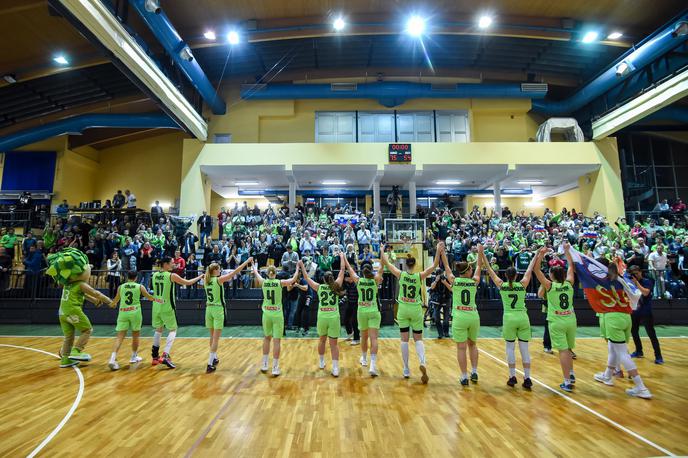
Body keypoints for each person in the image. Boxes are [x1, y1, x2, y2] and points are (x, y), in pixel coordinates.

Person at [591, 260, 653, 399]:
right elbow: (637, 295)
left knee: (623, 353)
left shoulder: (603, 282)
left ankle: (641, 387)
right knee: (613, 348)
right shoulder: (623, 280)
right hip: (626, 317)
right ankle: (607, 376)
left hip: (613, 317)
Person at [380, 243, 440, 383]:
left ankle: (406, 369)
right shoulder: (419, 276)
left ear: (406, 265)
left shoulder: (401, 274)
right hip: (416, 309)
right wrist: (438, 250)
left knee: (404, 340)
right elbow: (435, 265)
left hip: (403, 309)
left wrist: (382, 250)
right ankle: (422, 362)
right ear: (415, 264)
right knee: (418, 339)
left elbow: (387, 263)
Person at [480, 247, 536, 389]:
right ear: (516, 275)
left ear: (506, 276)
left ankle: (512, 376)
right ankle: (527, 378)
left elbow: (490, 270)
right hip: (523, 317)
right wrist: (536, 256)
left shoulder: (502, 285)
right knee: (525, 350)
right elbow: (530, 269)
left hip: (509, 318)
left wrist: (482, 254)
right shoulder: (522, 285)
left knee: (510, 348)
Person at [46, 248, 112, 368]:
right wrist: (108, 301)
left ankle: (65, 359)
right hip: (72, 310)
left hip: (62, 313)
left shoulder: (67, 284)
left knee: (69, 336)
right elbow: (95, 292)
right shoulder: (80, 284)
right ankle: (76, 350)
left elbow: (84, 295)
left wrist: (94, 301)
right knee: (87, 330)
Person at [533, 245, 577, 392]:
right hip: (571, 319)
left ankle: (567, 381)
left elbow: (536, 270)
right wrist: (567, 251)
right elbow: (571, 265)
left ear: (551, 275)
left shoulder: (549, 286)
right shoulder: (569, 283)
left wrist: (541, 254)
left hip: (557, 320)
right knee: (569, 349)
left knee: (563, 351)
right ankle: (571, 374)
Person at [439, 243, 482, 386]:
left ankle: (464, 376)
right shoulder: (474, 281)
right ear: (469, 271)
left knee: (461, 348)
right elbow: (479, 267)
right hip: (473, 316)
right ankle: (474, 371)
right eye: (471, 268)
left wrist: (442, 252)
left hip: (459, 316)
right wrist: (480, 253)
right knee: (473, 345)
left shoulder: (455, 281)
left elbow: (446, 267)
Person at [150, 257, 203, 368]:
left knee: (158, 329)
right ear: (165, 264)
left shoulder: (154, 275)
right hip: (167, 306)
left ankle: (155, 357)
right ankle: (165, 354)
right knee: (173, 330)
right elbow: (188, 283)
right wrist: (200, 276)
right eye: (172, 263)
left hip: (156, 306)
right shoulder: (171, 276)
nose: (174, 264)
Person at [299, 252, 346, 377]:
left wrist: (301, 266)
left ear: (323, 279)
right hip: (334, 317)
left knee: (322, 341)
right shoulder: (336, 285)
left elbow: (307, 278)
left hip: (322, 317)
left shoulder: (319, 287)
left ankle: (321, 362)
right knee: (334, 344)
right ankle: (335, 368)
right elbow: (342, 269)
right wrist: (342, 257)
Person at [203, 258, 253, 373]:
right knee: (216, 338)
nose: (220, 270)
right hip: (217, 309)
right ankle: (209, 364)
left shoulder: (206, 280)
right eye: (219, 269)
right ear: (215, 270)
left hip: (208, 309)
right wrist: (246, 262)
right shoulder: (218, 280)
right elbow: (235, 272)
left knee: (212, 337)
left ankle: (214, 358)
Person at [253, 263, 299, 376]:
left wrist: (253, 267)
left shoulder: (263, 282)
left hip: (266, 314)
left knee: (267, 338)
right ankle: (275, 367)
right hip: (277, 315)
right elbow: (293, 279)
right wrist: (297, 268)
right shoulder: (279, 282)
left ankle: (264, 364)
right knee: (277, 341)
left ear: (267, 273)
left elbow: (256, 273)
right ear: (276, 273)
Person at [107, 271, 159, 370]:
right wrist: (157, 298)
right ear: (136, 278)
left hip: (123, 312)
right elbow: (150, 298)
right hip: (135, 312)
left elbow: (115, 301)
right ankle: (133, 357)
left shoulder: (121, 287)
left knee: (120, 336)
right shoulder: (140, 287)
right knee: (135, 335)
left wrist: (111, 304)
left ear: (127, 277)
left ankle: (112, 359)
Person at [343, 256, 384, 376]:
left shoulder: (359, 281)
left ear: (362, 272)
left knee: (364, 338)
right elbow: (381, 267)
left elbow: (349, 268)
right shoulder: (375, 280)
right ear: (371, 270)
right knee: (374, 339)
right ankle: (373, 365)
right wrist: (382, 253)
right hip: (373, 311)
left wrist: (344, 257)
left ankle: (364, 359)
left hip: (362, 312)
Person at [628, 265, 663, 364]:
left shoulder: (648, 281)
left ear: (640, 272)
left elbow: (646, 293)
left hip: (645, 311)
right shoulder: (630, 282)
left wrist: (636, 283)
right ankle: (639, 351)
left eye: (636, 273)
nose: (635, 275)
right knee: (634, 332)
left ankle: (658, 356)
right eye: (633, 274)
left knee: (651, 334)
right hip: (635, 310)